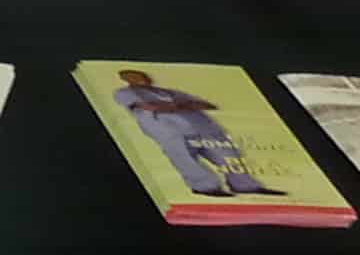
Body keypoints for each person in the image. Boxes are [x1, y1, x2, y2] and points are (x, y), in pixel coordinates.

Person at [110, 68, 283, 199]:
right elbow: (145, 107)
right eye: (136, 77)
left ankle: (245, 185)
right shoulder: (125, 92)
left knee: (228, 155)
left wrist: (173, 107)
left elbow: (207, 105)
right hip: (170, 131)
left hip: (203, 128)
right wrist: (183, 106)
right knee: (185, 158)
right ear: (127, 79)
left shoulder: (169, 92)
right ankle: (205, 187)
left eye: (143, 76)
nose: (143, 79)